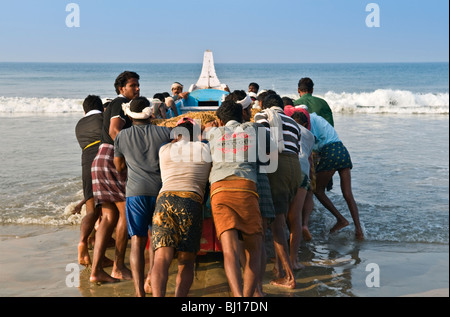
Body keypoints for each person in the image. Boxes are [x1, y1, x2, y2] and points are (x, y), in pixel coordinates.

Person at [206, 100, 267, 297]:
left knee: (229, 251)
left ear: (220, 120)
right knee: (254, 249)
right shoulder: (252, 129)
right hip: (245, 188)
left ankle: (237, 296)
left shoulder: (212, 133)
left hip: (219, 190)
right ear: (242, 114)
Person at [114, 97, 172, 297]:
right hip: (160, 192)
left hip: (136, 193)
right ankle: (151, 280)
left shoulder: (122, 136)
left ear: (130, 115)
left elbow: (119, 167)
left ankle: (139, 292)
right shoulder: (164, 132)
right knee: (156, 241)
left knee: (137, 242)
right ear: (149, 113)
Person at [151, 117, 211, 297]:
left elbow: (167, 141)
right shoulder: (204, 148)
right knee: (186, 261)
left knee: (161, 258)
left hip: (164, 200)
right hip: (190, 202)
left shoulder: (164, 149)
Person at [90, 71, 140, 284]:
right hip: (112, 157)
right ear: (121, 89)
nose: (137, 89)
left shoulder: (117, 104)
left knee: (109, 217)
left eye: (138, 85)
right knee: (123, 214)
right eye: (133, 85)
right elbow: (114, 131)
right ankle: (118, 266)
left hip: (100, 158)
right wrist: (132, 151)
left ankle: (96, 271)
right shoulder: (121, 104)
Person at [228, 90, 276, 296]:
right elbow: (270, 154)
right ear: (244, 111)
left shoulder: (222, 131)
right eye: (248, 109)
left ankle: (247, 289)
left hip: (231, 187)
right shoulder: (255, 129)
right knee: (258, 240)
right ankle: (257, 289)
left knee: (238, 242)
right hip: (259, 184)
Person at [254, 93, 302, 289]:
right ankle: (278, 268)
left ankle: (288, 277)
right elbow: (296, 148)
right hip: (294, 168)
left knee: (277, 224)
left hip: (277, 166)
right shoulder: (293, 122)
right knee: (280, 219)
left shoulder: (262, 116)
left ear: (263, 105)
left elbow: (260, 144)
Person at [294, 107, 364, 240]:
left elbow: (310, 146)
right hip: (342, 150)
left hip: (330, 153)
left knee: (318, 191)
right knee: (348, 194)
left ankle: (341, 220)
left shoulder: (308, 125)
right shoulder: (315, 117)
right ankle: (359, 231)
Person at [75, 95, 104, 267]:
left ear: (84, 110)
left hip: (86, 162)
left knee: (91, 210)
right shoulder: (103, 118)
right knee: (109, 211)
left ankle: (83, 241)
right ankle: (100, 248)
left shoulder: (79, 124)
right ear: (101, 107)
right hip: (103, 160)